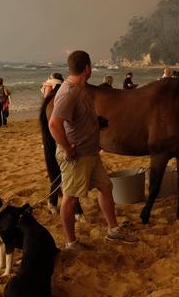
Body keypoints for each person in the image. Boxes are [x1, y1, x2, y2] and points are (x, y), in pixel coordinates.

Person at [49, 50, 138, 249]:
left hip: (90, 152)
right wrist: (67, 148)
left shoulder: (82, 89)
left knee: (106, 187)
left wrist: (96, 124)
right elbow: (54, 124)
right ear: (87, 68)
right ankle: (71, 242)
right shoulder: (69, 92)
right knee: (70, 199)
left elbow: (79, 119)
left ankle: (113, 230)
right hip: (76, 155)